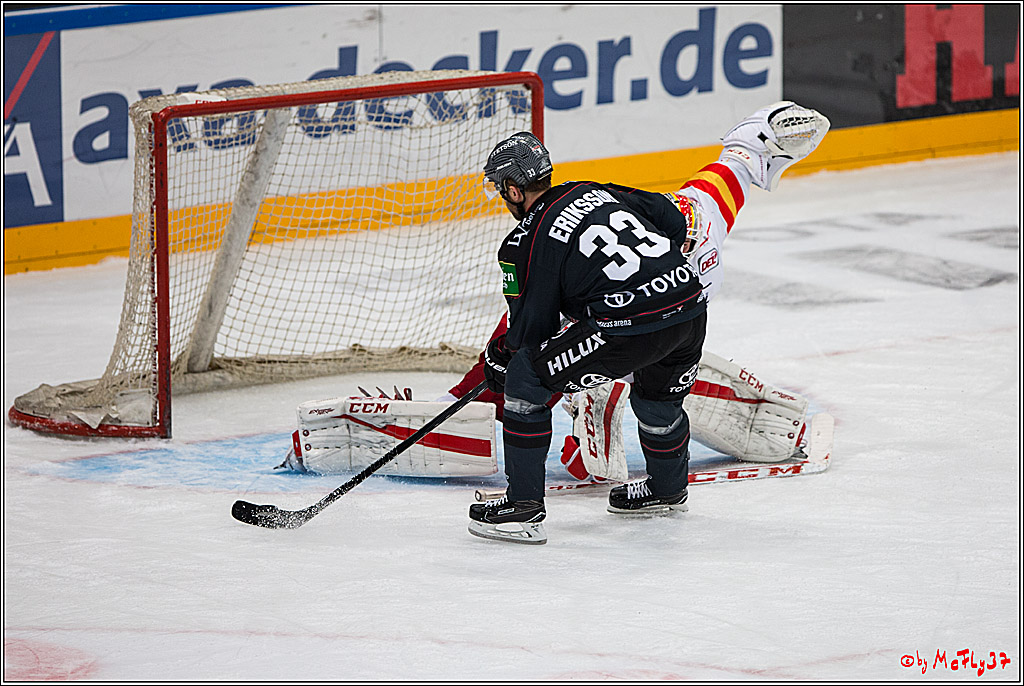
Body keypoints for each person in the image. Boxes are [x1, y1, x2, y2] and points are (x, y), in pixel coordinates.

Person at [466, 101, 830, 545]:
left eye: (500, 189)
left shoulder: (522, 242)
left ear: (512, 188)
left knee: (527, 379)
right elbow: (674, 218)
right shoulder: (595, 190)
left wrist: (499, 361)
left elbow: (532, 333)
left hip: (627, 326)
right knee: (658, 400)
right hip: (689, 305)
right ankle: (666, 489)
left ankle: (521, 509)